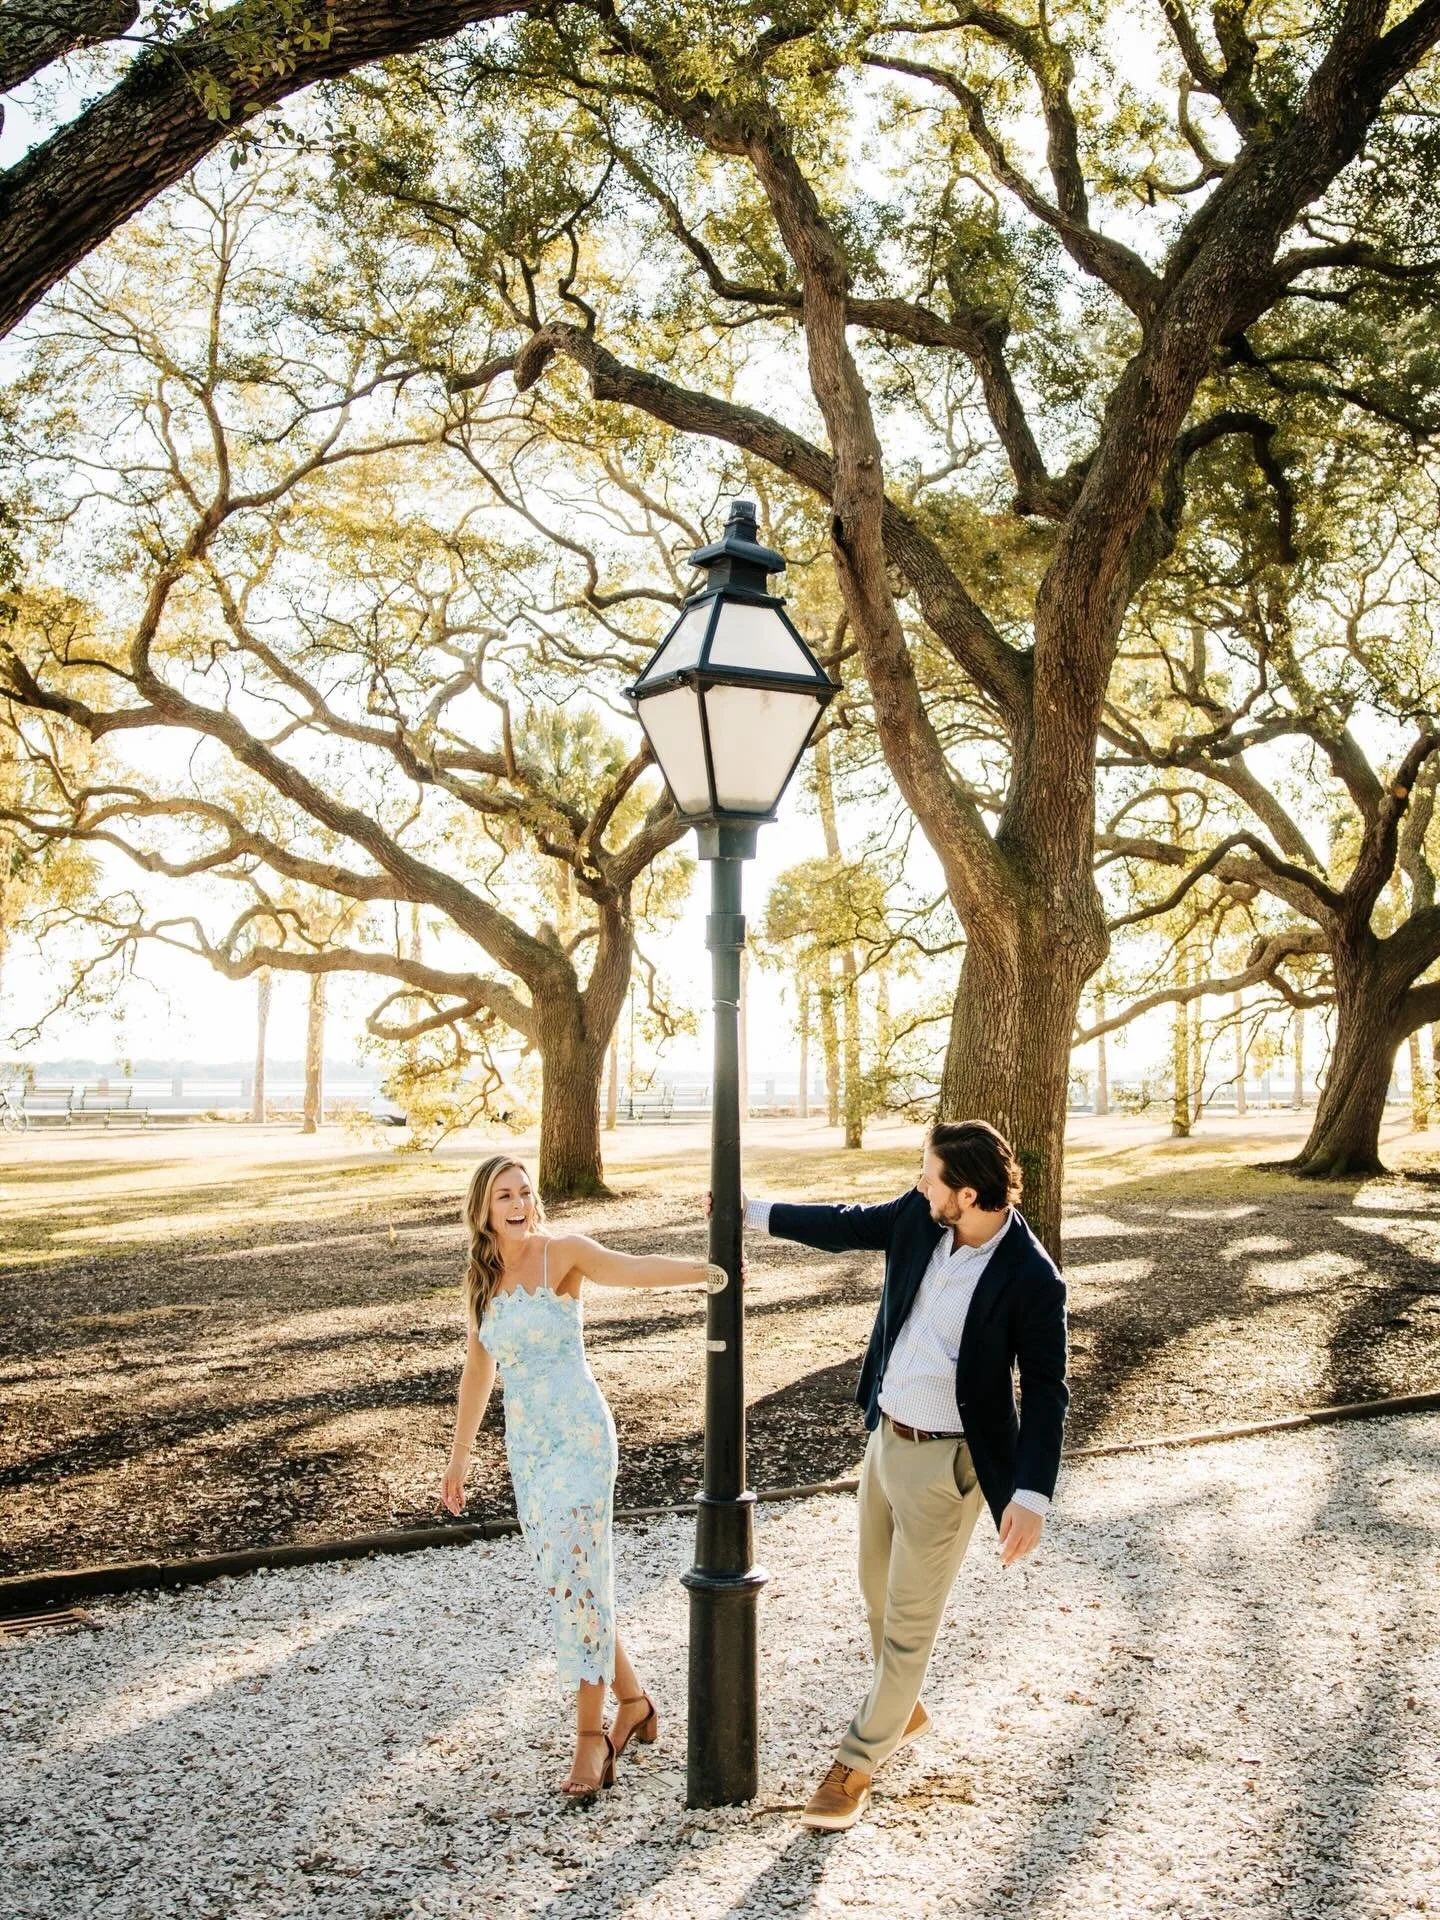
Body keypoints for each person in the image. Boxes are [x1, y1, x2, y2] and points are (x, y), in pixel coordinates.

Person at [744, 1119, 1068, 1831]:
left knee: (908, 1628)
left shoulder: (1032, 1278)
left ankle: (855, 1766)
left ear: (970, 1193)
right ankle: (904, 1710)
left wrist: (1031, 1494)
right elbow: (844, 1223)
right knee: (876, 1600)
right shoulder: (924, 1219)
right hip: (884, 1441)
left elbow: (1047, 1390)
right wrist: (750, 1210)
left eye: (931, 1177)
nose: (921, 1185)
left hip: (949, 1469)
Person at [441, 1153, 727, 1799]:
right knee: (572, 1581)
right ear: (483, 1208)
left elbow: (627, 1269)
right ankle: (635, 1703)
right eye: (503, 1196)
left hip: (580, 1440)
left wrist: (703, 1273)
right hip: (529, 1450)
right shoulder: (481, 1277)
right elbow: (478, 1370)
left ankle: (590, 1740)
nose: (517, 1204)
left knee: (577, 1579)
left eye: (524, 1192)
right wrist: (459, 1457)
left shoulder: (560, 1253)